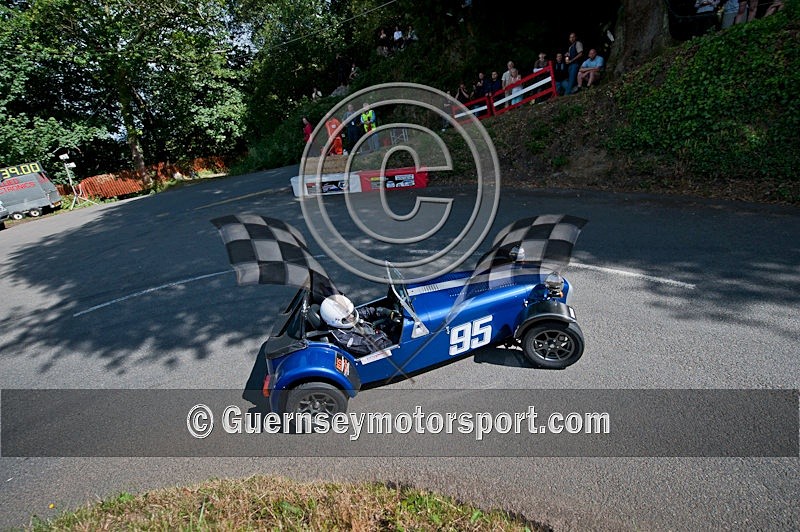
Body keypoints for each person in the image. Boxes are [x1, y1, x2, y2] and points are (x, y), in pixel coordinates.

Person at [320, 294, 394, 356]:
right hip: (375, 350)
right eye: (347, 317)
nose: (352, 316)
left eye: (352, 313)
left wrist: (386, 312)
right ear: (335, 320)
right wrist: (385, 335)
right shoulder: (342, 338)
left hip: (375, 333)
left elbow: (366, 312)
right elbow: (369, 345)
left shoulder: (347, 314)